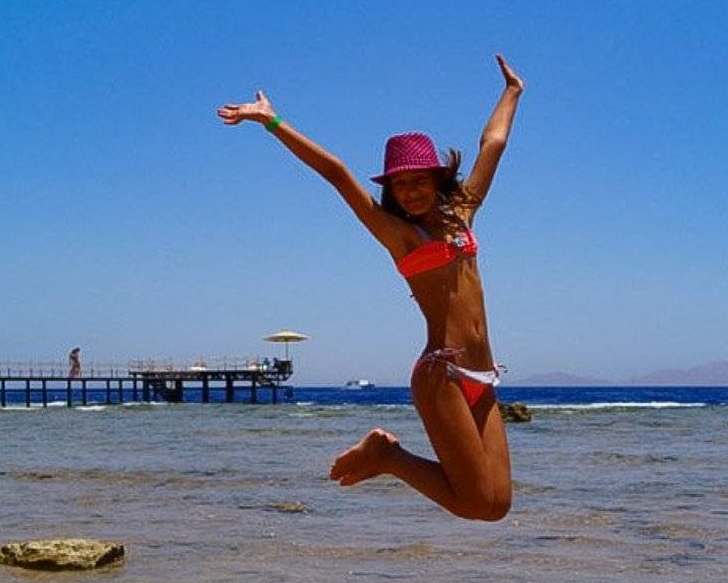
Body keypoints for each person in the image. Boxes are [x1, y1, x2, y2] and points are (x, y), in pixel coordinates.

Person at [217, 55, 524, 521]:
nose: (410, 191)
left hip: (483, 375)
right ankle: (388, 456)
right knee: (472, 503)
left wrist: (513, 91)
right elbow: (337, 173)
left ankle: (389, 457)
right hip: (441, 374)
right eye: (400, 185)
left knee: (496, 505)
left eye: (419, 181)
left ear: (438, 180)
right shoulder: (399, 235)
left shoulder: (462, 215)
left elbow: (493, 144)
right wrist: (271, 121)